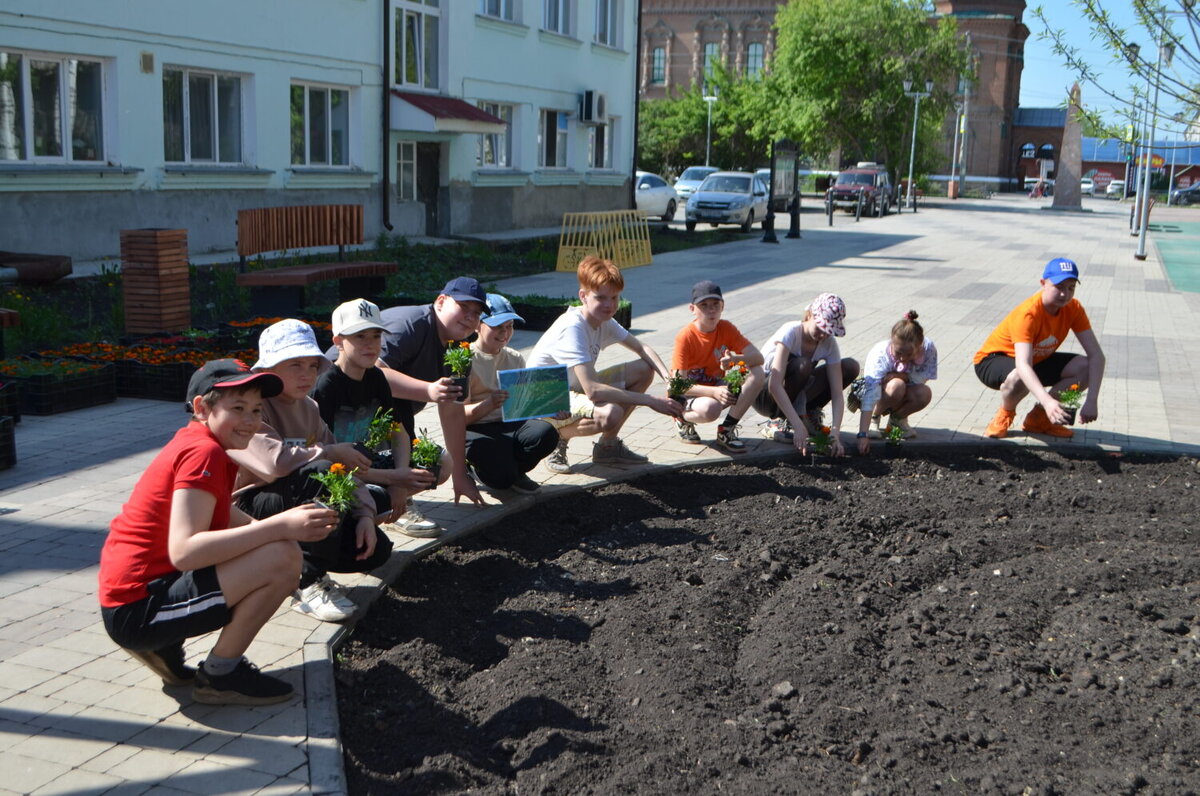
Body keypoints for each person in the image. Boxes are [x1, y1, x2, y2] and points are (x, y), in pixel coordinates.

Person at [98, 359, 338, 705]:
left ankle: (163, 648)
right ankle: (220, 676)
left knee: (279, 550)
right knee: (284, 558)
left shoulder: (199, 442)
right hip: (138, 609)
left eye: (256, 410)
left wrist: (272, 533)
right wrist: (279, 528)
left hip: (135, 597)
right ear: (201, 407)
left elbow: (220, 514)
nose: (250, 420)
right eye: (237, 408)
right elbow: (185, 551)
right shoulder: (204, 452)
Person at [229, 319, 394, 624]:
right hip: (252, 508)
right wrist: (330, 452)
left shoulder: (308, 407)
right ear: (268, 369)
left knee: (376, 548)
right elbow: (274, 464)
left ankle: (284, 565)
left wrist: (365, 516)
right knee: (318, 474)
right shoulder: (254, 406)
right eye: (294, 365)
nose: (306, 374)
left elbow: (343, 469)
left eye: (312, 365)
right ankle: (307, 580)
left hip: (298, 500)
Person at [526, 255, 682, 470]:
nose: (609, 305)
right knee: (610, 413)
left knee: (644, 370)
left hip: (574, 387)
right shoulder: (573, 327)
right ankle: (555, 439)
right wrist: (650, 400)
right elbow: (593, 391)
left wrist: (668, 378)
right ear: (583, 296)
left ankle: (607, 448)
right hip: (547, 397)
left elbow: (642, 347)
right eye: (601, 298)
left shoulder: (603, 320)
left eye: (615, 298)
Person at [311, 298, 444, 526]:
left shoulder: (377, 376)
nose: (370, 344)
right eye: (360, 336)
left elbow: (398, 432)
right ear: (339, 342)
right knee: (375, 497)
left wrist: (401, 480)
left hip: (368, 464)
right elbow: (326, 459)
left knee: (441, 463)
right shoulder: (325, 387)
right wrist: (394, 478)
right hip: (338, 472)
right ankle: (373, 515)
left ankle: (395, 505)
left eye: (376, 335)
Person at [372, 277, 488, 518]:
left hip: (396, 420)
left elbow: (453, 411)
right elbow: (373, 374)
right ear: (441, 301)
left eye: (476, 313)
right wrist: (428, 390)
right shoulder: (411, 324)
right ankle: (393, 505)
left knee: (441, 465)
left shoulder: (459, 350)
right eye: (463, 307)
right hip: (348, 416)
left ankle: (395, 498)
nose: (469, 316)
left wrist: (460, 475)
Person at [974, 257, 1105, 439]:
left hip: (1035, 359)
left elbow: (1097, 356)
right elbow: (1023, 365)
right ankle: (1005, 413)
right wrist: (1047, 400)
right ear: (1043, 283)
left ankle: (1040, 419)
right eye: (1058, 287)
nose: (1064, 294)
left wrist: (1092, 400)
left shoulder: (1073, 308)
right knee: (1020, 375)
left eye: (1071, 288)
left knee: (1086, 368)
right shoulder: (1028, 313)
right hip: (992, 360)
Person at [462, 293, 562, 493]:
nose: (504, 333)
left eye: (509, 326)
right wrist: (488, 403)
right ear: (477, 326)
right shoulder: (463, 360)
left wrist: (548, 409)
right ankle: (475, 469)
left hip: (510, 424)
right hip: (478, 427)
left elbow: (524, 406)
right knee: (500, 479)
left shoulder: (515, 358)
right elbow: (459, 416)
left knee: (546, 433)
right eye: (497, 327)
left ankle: (515, 472)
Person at [753, 292, 859, 456]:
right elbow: (774, 384)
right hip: (764, 395)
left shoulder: (828, 343)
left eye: (828, 331)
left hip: (793, 392)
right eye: (820, 328)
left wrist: (835, 433)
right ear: (810, 315)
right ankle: (783, 421)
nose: (823, 335)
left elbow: (837, 393)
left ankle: (808, 414)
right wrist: (797, 424)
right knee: (803, 365)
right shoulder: (791, 332)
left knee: (850, 366)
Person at [669, 280, 765, 453]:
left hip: (718, 386)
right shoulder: (685, 336)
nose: (711, 310)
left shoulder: (726, 328)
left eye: (715, 304)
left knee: (756, 371)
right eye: (704, 305)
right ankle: (681, 418)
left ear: (722, 306)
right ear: (693, 309)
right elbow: (677, 385)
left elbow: (758, 357)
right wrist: (713, 392)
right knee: (710, 409)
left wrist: (735, 360)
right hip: (690, 394)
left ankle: (726, 430)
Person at [850, 310, 938, 455]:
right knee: (896, 385)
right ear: (892, 341)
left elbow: (924, 376)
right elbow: (870, 392)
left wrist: (901, 376)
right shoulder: (880, 354)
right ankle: (875, 417)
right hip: (880, 392)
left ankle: (897, 419)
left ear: (920, 345)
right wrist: (863, 434)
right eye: (898, 353)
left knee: (924, 393)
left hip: (905, 388)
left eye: (909, 354)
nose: (903, 359)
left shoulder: (928, 349)